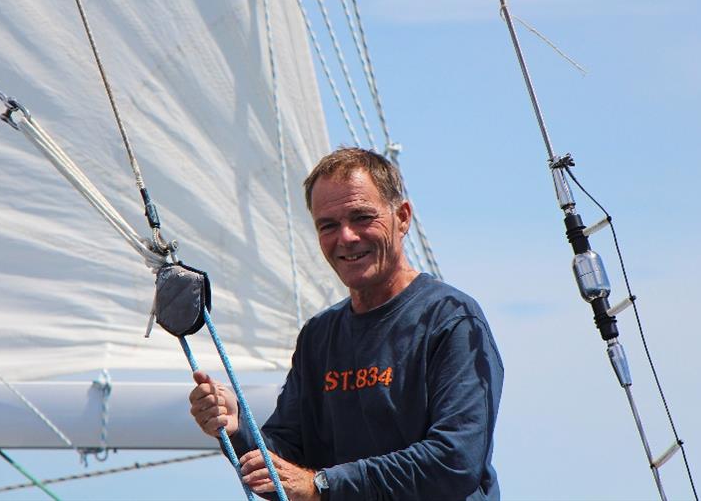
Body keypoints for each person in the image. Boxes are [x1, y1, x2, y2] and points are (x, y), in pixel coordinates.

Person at [189, 148, 504, 500]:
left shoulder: (451, 318)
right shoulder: (318, 337)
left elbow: (454, 461)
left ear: (402, 217)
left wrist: (323, 486)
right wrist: (236, 427)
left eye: (361, 217)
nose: (347, 237)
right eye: (329, 225)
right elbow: (287, 468)